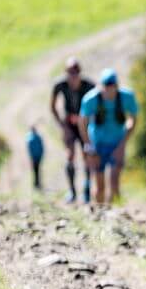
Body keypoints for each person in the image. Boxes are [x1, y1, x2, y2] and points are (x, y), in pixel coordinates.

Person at [77, 68, 138, 205]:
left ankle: (115, 215)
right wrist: (88, 145)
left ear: (117, 86)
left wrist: (123, 144)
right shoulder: (90, 99)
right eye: (106, 87)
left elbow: (133, 119)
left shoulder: (126, 97)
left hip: (117, 142)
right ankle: (99, 214)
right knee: (99, 185)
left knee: (115, 182)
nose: (109, 90)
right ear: (101, 86)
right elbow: (82, 123)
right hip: (97, 143)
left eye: (112, 87)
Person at [50, 58, 96, 203]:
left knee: (87, 154)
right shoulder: (60, 85)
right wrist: (62, 125)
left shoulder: (89, 85)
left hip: (85, 123)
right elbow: (52, 106)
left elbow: (98, 105)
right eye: (70, 72)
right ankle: (72, 191)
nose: (73, 76)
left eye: (76, 72)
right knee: (70, 155)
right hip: (69, 123)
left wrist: (92, 124)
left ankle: (87, 190)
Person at [26, 125, 44, 191]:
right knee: (36, 171)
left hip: (37, 157)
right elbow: (29, 149)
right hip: (35, 157)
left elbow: (41, 147)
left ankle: (37, 184)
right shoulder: (31, 138)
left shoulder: (32, 137)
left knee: (36, 171)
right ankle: (36, 184)